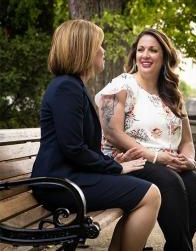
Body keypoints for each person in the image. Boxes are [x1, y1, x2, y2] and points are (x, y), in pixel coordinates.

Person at [31, 19, 161, 251]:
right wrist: (116, 168)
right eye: (99, 45)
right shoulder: (66, 88)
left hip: (68, 178)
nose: (103, 51)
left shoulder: (72, 86)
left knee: (144, 190)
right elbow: (73, 148)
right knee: (150, 194)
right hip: (59, 184)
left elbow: (78, 147)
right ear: (83, 49)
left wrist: (111, 162)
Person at [95, 28, 196, 251]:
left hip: (166, 163)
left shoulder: (173, 93)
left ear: (164, 57)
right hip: (129, 160)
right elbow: (112, 132)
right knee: (170, 183)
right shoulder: (122, 85)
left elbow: (186, 141)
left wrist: (189, 161)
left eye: (153, 50)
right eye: (141, 50)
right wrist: (156, 157)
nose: (145, 55)